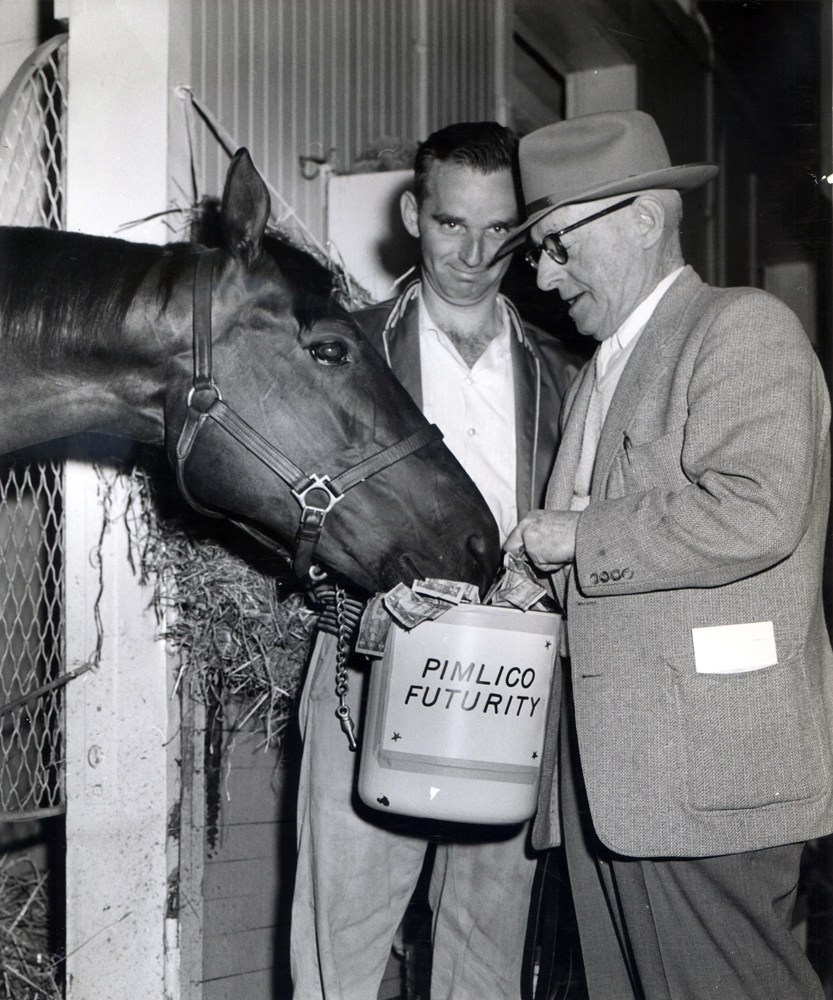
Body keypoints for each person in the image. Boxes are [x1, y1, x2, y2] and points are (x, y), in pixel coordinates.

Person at [502, 109, 833, 1000]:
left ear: (643, 221)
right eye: (537, 251)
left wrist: (577, 536)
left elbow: (758, 508)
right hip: (614, 777)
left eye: (558, 246)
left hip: (701, 770)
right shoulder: (600, 371)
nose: (543, 273)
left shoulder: (740, 328)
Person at [290, 121, 579, 1000]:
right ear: (414, 213)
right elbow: (284, 523)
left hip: (508, 677)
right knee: (340, 950)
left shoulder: (563, 371)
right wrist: (358, 610)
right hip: (364, 662)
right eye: (453, 224)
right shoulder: (341, 352)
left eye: (499, 231)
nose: (475, 253)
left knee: (483, 955)